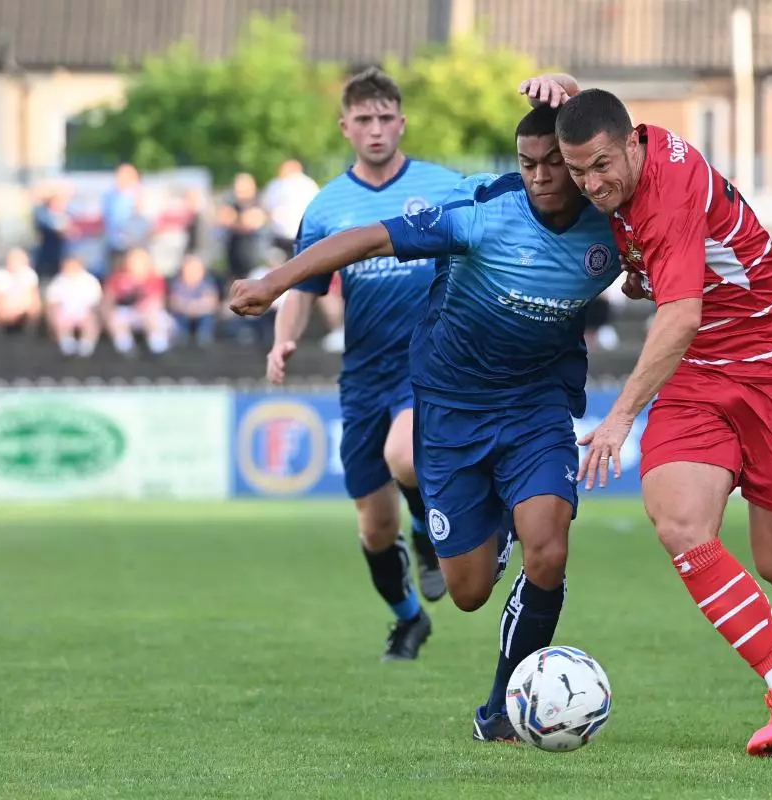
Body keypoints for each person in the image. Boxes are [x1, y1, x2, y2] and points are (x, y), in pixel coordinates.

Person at [228, 101, 621, 742]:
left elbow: (649, 179)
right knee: (466, 592)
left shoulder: (611, 223)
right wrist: (275, 282)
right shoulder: (482, 211)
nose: (544, 176)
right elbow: (371, 237)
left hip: (536, 405)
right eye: (529, 164)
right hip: (452, 410)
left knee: (548, 551)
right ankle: (490, 532)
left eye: (556, 162)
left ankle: (500, 712)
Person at [528, 74, 772, 757]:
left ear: (632, 146)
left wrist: (619, 418)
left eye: (601, 167)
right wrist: (566, 88)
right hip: (699, 371)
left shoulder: (671, 185)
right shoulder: (625, 156)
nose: (590, 185)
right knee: (679, 521)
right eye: (578, 171)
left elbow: (681, 313)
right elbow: (673, 297)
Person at [265, 67, 461, 661]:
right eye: (364, 120)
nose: (376, 130)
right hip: (363, 377)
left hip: (426, 363)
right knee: (374, 529)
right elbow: (303, 285)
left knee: (404, 455)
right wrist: (283, 339)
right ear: (345, 126)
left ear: (401, 123)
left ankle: (430, 536)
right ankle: (409, 619)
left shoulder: (444, 186)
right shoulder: (327, 206)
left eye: (385, 119)